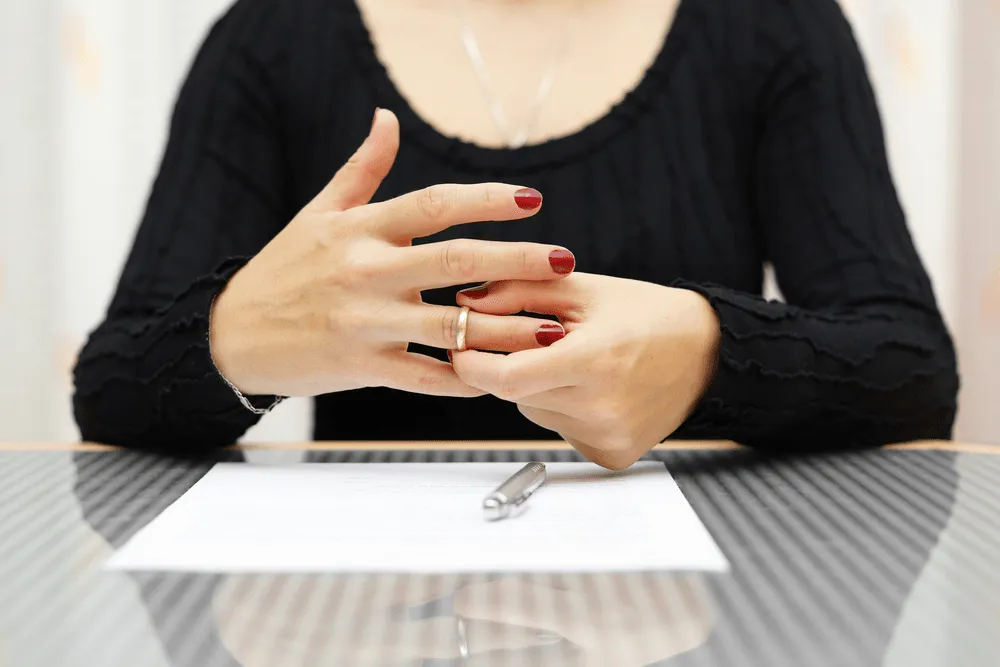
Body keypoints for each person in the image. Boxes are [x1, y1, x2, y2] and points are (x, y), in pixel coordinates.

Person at [72, 0, 959, 468]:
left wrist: (709, 352)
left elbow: (911, 367)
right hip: (360, 603)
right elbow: (112, 383)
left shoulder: (775, 25)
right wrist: (237, 337)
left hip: (680, 604)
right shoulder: (271, 38)